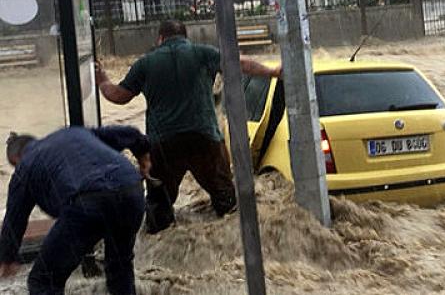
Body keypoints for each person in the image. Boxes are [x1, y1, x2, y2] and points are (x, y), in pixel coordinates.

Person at [94, 19, 280, 234]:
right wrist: (272, 71)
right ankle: (229, 239)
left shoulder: (144, 63)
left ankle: (160, 238)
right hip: (205, 139)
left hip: (163, 144)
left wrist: (102, 80)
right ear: (185, 36)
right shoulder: (203, 53)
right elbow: (240, 63)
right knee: (227, 203)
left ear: (160, 38)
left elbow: (118, 96)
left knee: (159, 209)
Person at [0, 126, 151, 294]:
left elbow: (14, 219)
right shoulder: (74, 134)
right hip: (131, 190)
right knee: (120, 268)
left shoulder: (25, 165)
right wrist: (143, 156)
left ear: (17, 158)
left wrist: (7, 258)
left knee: (43, 280)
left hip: (87, 202)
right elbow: (129, 134)